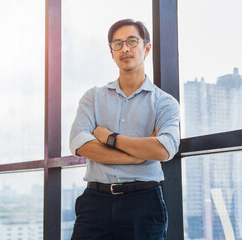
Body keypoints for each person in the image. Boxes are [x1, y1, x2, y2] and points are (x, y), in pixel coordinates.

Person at [69, 19, 180, 240]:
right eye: (117, 44)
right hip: (95, 203)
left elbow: (163, 150)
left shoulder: (165, 103)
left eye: (132, 41)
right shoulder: (93, 97)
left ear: (146, 48)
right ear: (111, 53)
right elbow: (79, 144)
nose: (125, 49)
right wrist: (135, 157)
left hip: (143, 205)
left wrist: (109, 137)